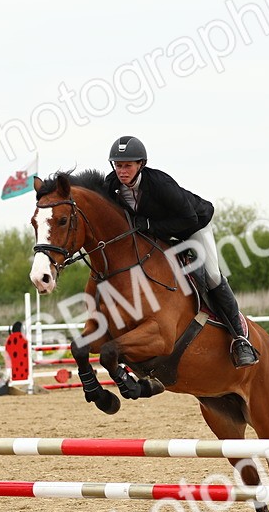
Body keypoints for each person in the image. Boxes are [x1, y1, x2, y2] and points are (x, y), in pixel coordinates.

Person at [102, 135, 259, 368]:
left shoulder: (160, 184)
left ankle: (240, 338)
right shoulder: (112, 185)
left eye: (128, 166)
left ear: (140, 165)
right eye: (118, 165)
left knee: (212, 275)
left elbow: (189, 218)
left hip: (193, 226)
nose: (122, 171)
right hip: (159, 234)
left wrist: (150, 225)